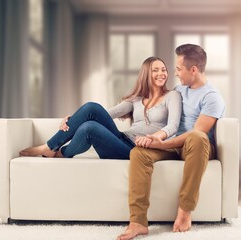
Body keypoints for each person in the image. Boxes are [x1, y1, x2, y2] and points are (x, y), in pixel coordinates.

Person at [117, 44, 225, 240]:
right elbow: (165, 113)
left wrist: (161, 143)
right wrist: (135, 112)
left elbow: (198, 132)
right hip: (173, 145)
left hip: (197, 148)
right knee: (138, 153)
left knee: (197, 137)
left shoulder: (212, 97)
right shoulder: (179, 90)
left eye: (179, 69)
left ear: (193, 70)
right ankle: (138, 222)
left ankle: (185, 211)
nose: (174, 73)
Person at [20, 57, 182, 160]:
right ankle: (50, 147)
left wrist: (154, 137)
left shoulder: (172, 96)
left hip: (135, 150)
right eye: (156, 70)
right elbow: (102, 114)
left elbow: (172, 126)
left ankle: (61, 153)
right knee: (91, 108)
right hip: (121, 139)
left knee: (89, 129)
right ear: (146, 74)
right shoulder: (137, 99)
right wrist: (72, 118)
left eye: (164, 70)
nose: (162, 73)